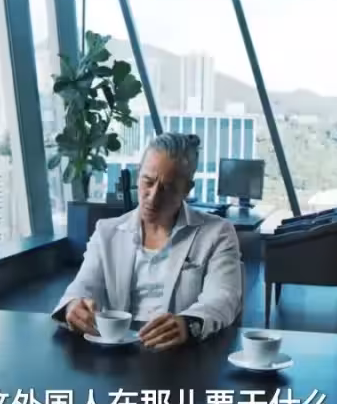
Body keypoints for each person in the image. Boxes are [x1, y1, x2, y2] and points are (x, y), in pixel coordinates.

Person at [51, 133, 243, 350]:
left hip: (182, 353)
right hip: (119, 351)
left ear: (187, 189)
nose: (153, 197)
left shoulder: (217, 233)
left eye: (167, 188)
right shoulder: (107, 232)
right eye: (148, 182)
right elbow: (82, 286)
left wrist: (189, 324)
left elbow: (223, 298)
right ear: (138, 176)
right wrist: (73, 306)